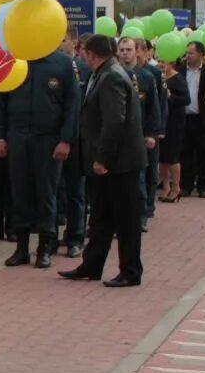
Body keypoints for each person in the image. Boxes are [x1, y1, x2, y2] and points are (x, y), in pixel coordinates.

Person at [61, 35, 147, 287]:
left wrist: (102, 158)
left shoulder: (111, 76)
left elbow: (114, 122)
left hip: (119, 163)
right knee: (100, 216)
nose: (82, 57)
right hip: (106, 163)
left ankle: (130, 270)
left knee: (125, 219)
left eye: (84, 52)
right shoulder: (102, 73)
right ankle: (92, 264)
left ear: (91, 53)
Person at [0, 47, 80, 269]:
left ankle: (44, 248)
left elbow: (72, 105)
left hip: (48, 139)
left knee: (46, 193)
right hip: (18, 135)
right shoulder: (13, 60)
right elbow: (0, 102)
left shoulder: (62, 63)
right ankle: (21, 249)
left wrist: (66, 140)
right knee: (19, 192)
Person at [51, 32, 90, 258]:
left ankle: (76, 237)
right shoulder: (52, 66)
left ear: (73, 43)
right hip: (54, 138)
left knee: (75, 191)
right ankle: (52, 234)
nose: (59, 43)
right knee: (54, 190)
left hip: (78, 138)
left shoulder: (84, 69)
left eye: (63, 39)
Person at [124, 39, 163, 232]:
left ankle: (140, 217)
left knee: (139, 179)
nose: (125, 53)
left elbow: (153, 108)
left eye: (129, 50)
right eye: (121, 50)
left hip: (139, 135)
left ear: (136, 52)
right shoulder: (114, 74)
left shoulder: (147, 77)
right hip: (118, 136)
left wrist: (153, 134)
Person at [178, 42, 205, 197]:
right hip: (185, 117)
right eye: (187, 53)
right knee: (185, 153)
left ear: (201, 55)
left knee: (204, 153)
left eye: (191, 53)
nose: (187, 56)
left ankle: (203, 185)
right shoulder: (180, 70)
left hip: (203, 119)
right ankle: (186, 185)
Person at [157, 58, 191, 203]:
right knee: (162, 157)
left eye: (163, 61)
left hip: (175, 121)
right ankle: (165, 186)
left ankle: (176, 187)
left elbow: (186, 99)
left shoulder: (178, 78)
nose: (160, 64)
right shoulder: (158, 76)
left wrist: (172, 96)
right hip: (162, 120)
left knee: (173, 156)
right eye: (158, 60)